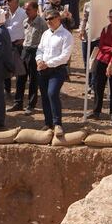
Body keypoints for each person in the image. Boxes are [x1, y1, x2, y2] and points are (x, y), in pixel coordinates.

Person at [36, 9, 74, 137]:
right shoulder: (46, 34)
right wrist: (39, 60)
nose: (48, 21)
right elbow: (40, 49)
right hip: (43, 69)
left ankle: (57, 124)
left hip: (57, 70)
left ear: (58, 18)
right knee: (45, 96)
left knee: (52, 93)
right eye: (46, 19)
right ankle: (48, 123)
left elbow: (65, 56)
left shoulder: (66, 35)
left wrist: (48, 63)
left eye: (51, 18)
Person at [15, 1, 46, 116]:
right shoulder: (25, 22)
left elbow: (45, 39)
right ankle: (18, 102)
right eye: (25, 9)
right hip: (25, 51)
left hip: (35, 52)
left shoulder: (42, 23)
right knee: (20, 77)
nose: (26, 12)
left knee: (33, 80)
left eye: (28, 9)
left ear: (35, 10)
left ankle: (31, 105)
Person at [4, 0, 28, 110]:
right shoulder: (5, 14)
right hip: (7, 46)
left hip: (18, 46)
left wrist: (24, 40)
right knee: (6, 72)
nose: (7, 2)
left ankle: (19, 101)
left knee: (20, 74)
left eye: (10, 0)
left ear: (16, 1)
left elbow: (29, 28)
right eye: (6, 0)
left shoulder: (23, 14)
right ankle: (7, 92)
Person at [79, 1, 99, 92]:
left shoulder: (105, 2)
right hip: (86, 37)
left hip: (98, 37)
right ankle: (89, 84)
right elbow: (84, 18)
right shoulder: (87, 4)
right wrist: (81, 30)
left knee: (94, 60)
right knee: (86, 61)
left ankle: (94, 84)